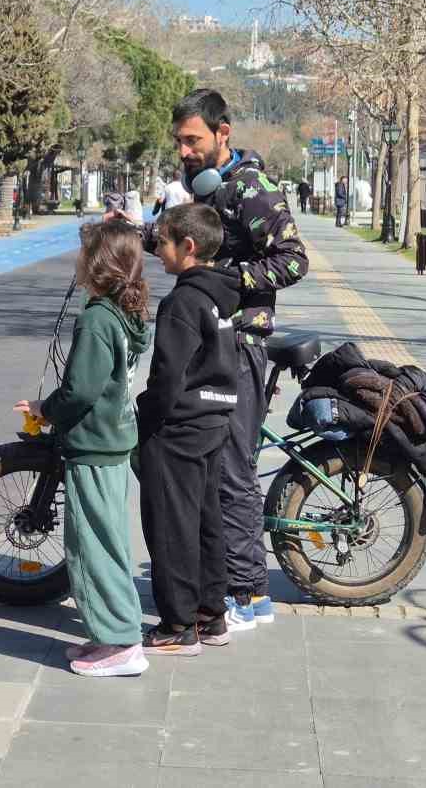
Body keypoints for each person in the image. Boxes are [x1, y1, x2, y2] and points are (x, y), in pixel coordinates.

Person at [170, 89, 307, 634]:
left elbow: (293, 261)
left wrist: (229, 280)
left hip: (240, 344)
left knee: (232, 470)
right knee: (211, 467)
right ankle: (226, 578)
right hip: (208, 339)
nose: (184, 151)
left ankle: (251, 594)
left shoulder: (253, 188)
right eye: (179, 141)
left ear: (223, 133)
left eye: (193, 140)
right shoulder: (204, 188)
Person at [15, 222, 151, 677]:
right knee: (104, 541)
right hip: (113, 440)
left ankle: (122, 642)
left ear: (96, 263)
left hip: (94, 446)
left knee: (95, 546)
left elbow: (80, 389)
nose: (75, 261)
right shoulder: (122, 314)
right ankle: (109, 634)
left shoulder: (96, 319)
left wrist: (45, 408)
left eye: (82, 253)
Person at [135, 203, 241, 656]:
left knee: (170, 525)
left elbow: (166, 377)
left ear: (188, 246)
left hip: (178, 426)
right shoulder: (221, 295)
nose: (158, 252)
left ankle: (178, 625)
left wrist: (145, 417)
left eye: (162, 243)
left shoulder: (182, 301)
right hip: (215, 420)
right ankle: (210, 614)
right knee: (204, 519)